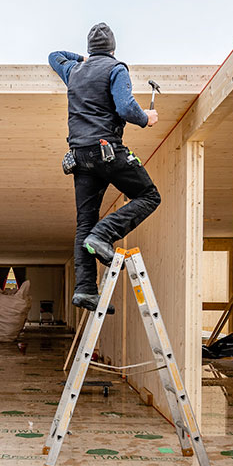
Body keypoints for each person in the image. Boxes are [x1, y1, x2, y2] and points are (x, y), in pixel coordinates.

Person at [49, 22, 160, 314]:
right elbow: (125, 108)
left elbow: (54, 55)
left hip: (79, 157)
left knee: (84, 222)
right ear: (113, 48)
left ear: (89, 49)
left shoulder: (73, 71)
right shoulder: (115, 69)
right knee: (149, 196)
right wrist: (146, 118)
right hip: (107, 151)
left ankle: (85, 290)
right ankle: (102, 235)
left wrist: (84, 60)